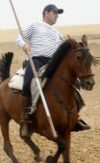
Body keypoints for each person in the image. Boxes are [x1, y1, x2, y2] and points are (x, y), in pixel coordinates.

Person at [15, 4, 90, 137]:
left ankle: (74, 116)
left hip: (54, 63)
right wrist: (24, 44)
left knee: (72, 84)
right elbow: (19, 37)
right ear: (46, 13)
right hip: (37, 60)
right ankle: (25, 119)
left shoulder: (58, 33)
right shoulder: (35, 25)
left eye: (58, 14)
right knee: (27, 83)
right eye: (55, 13)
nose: (57, 16)